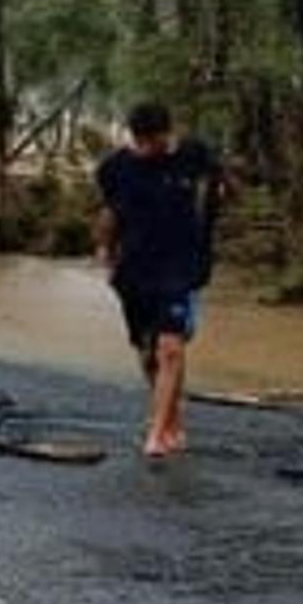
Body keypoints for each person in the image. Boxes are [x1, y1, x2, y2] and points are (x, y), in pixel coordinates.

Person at [93, 101, 225, 461]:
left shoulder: (193, 155)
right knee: (147, 351)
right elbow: (109, 212)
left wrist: (207, 231)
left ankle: (156, 432)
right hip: (134, 268)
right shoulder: (115, 168)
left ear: (169, 133)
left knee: (172, 347)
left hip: (180, 267)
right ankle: (172, 419)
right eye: (141, 141)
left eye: (154, 140)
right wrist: (104, 251)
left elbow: (217, 188)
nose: (148, 148)